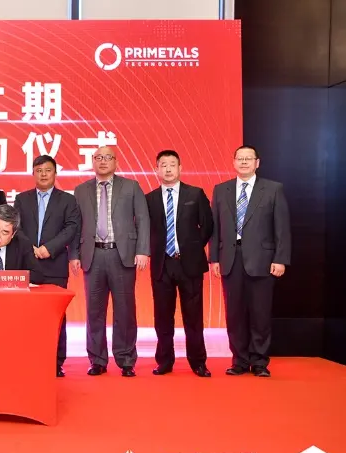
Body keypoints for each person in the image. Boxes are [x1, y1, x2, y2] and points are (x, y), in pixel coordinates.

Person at [210, 145, 290, 377]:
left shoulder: (273, 189)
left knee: (260, 314)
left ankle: (260, 362)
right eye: (240, 158)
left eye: (248, 159)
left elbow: (282, 227)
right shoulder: (221, 190)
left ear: (257, 163)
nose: (244, 162)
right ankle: (239, 360)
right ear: (233, 162)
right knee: (234, 314)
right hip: (230, 259)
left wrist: (280, 259)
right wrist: (214, 258)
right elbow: (215, 228)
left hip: (263, 260)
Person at [71, 146, 149, 377]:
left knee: (125, 310)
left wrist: (142, 250)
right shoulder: (81, 190)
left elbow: (143, 219)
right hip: (93, 255)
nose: (103, 161)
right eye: (98, 157)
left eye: (108, 157)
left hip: (121, 254)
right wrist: (74, 254)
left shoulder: (131, 186)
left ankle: (126, 360)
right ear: (92, 161)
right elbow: (75, 225)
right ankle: (97, 360)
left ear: (116, 162)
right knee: (94, 311)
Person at [145, 150, 213, 378]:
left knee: (193, 316)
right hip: (162, 264)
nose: (168, 169)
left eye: (172, 164)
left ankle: (198, 362)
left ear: (180, 168)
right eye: (163, 165)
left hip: (189, 263)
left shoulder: (195, 193)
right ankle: (165, 361)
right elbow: (145, 230)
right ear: (157, 170)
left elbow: (207, 225)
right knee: (163, 317)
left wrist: (192, 247)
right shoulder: (150, 198)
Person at [14, 155, 81, 377]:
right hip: (27, 264)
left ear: (55, 173)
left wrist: (48, 248)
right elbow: (16, 227)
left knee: (56, 316)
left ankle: (56, 362)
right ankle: (29, 359)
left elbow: (71, 228)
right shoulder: (22, 199)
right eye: (39, 170)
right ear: (33, 173)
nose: (43, 174)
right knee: (27, 315)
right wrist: (30, 248)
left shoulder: (67, 200)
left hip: (55, 264)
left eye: (48, 170)